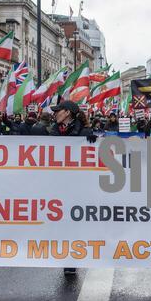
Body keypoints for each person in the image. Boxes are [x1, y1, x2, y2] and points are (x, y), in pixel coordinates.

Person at [50, 100, 94, 275]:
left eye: (58, 111)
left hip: (76, 185)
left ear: (67, 112)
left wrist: (92, 142)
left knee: (73, 222)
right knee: (61, 222)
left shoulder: (84, 132)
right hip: (58, 183)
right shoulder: (53, 130)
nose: (55, 114)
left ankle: (71, 259)